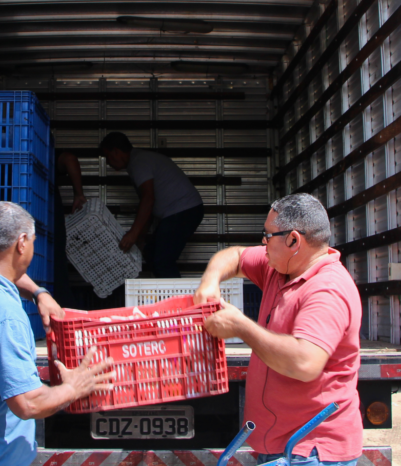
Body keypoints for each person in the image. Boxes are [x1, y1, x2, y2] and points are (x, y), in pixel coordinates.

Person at [0, 201, 114, 466]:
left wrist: (39, 293)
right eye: (34, 241)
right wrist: (74, 387)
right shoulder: (3, 317)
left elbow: (6, 272)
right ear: (22, 243)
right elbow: (29, 404)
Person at [193, 194, 363, 466]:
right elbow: (235, 256)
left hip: (310, 452)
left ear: (294, 240)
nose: (263, 242)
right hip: (282, 446)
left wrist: (240, 326)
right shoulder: (280, 267)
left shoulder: (327, 290)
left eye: (267, 235)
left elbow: (304, 362)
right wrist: (210, 281)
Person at [98, 131, 204, 279]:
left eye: (108, 157)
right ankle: (165, 297)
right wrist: (140, 238)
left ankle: (179, 301)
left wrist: (133, 234)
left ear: (116, 151)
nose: (108, 162)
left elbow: (148, 199)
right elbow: (147, 206)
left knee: (162, 262)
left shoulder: (138, 162)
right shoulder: (137, 162)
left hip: (184, 210)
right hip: (180, 212)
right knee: (150, 253)